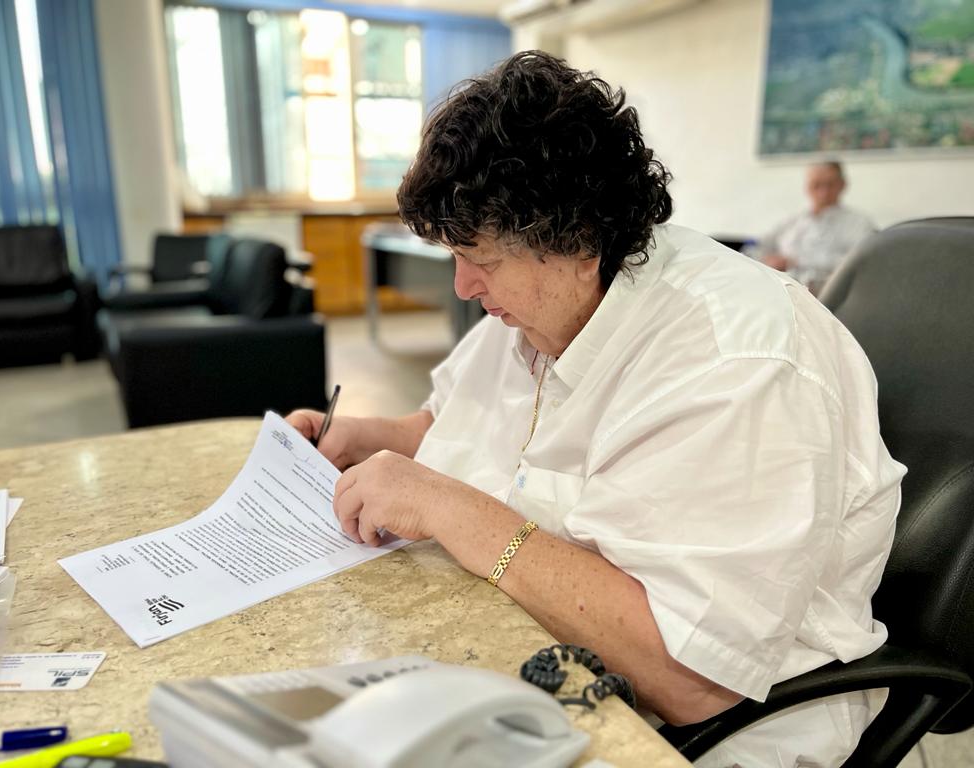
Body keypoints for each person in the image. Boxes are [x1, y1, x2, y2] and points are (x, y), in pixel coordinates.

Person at [287, 51, 904, 768]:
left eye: (480, 258)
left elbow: (689, 678)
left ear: (578, 241)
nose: (461, 287)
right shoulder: (540, 303)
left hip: (693, 734)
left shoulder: (739, 364)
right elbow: (454, 425)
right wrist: (369, 438)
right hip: (530, 653)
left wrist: (448, 508)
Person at [760, 161, 876, 294]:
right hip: (781, 294)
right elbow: (761, 247)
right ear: (807, 187)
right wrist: (768, 261)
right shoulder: (791, 222)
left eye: (830, 184)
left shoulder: (859, 224)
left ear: (842, 185)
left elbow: (861, 263)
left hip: (831, 298)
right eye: (816, 185)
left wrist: (795, 261)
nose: (823, 192)